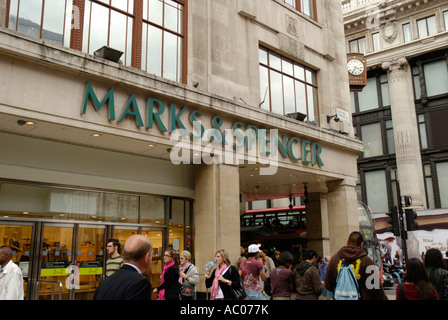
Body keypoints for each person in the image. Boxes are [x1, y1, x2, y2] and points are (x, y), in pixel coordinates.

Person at [324, 231, 387, 300]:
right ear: (361, 245)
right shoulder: (367, 262)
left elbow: (327, 285)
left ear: (347, 242)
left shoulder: (334, 260)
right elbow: (376, 289)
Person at [94, 235, 152, 300]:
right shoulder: (140, 283)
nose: (107, 248)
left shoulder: (103, 284)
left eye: (109, 246)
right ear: (146, 257)